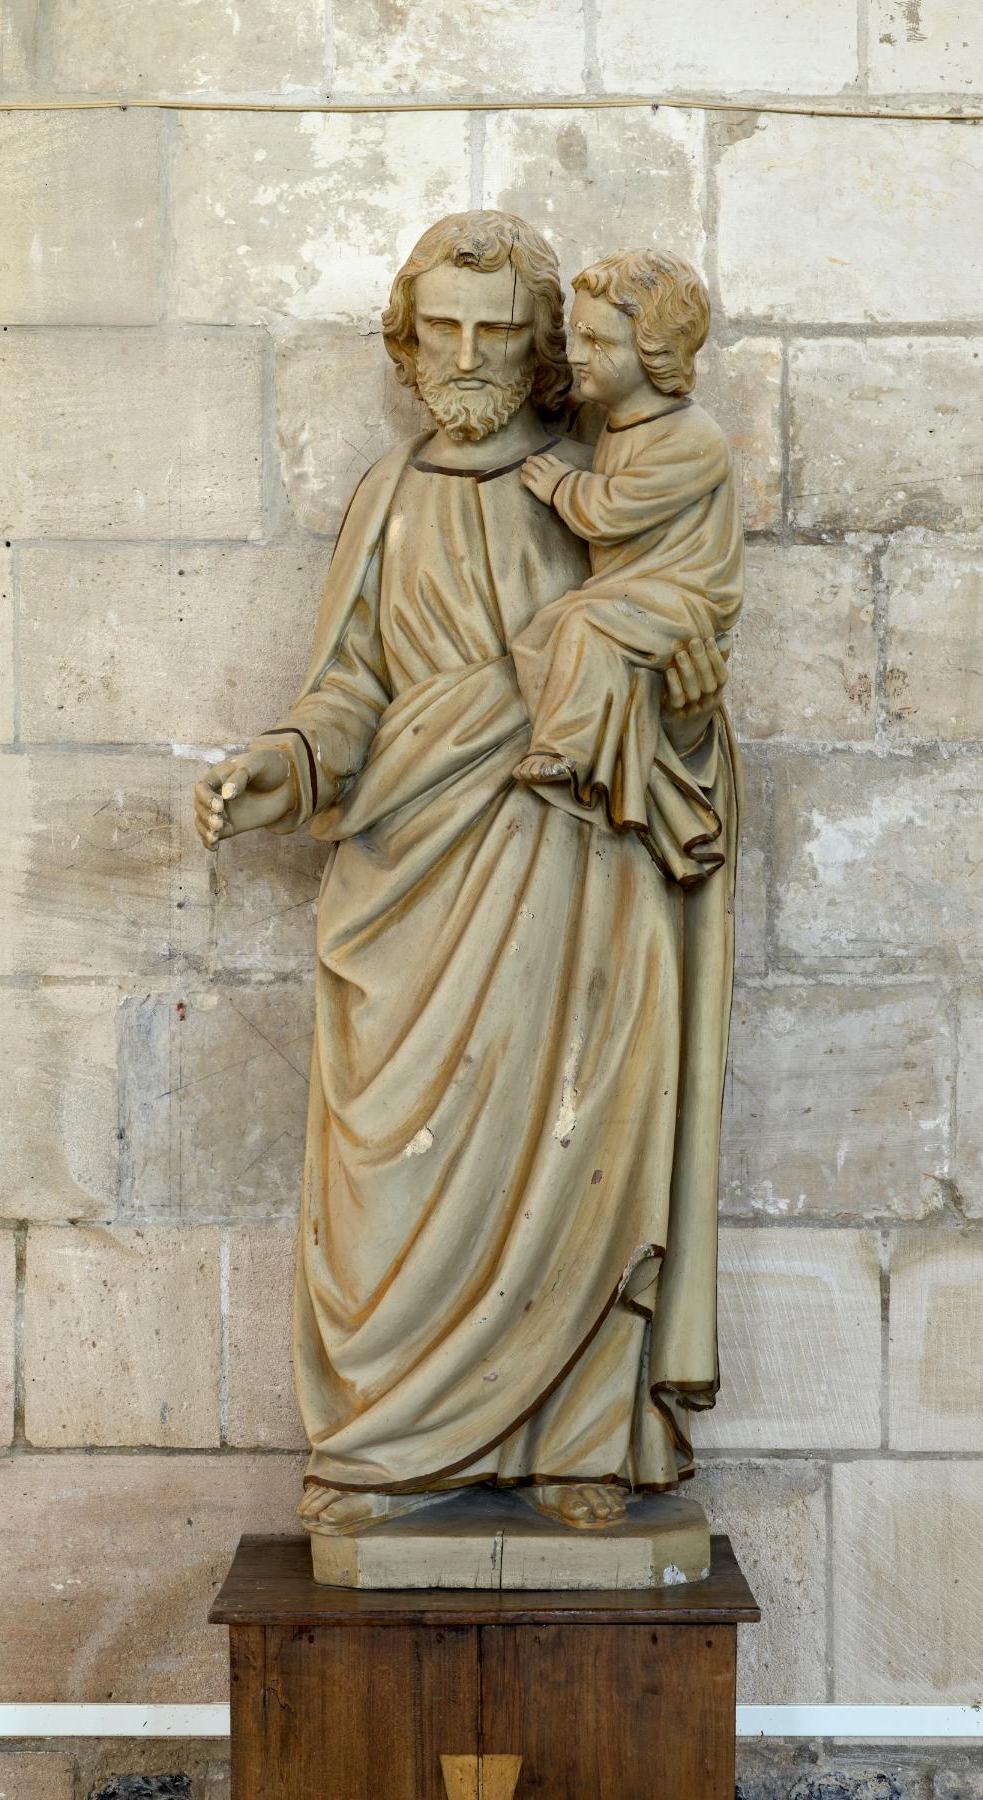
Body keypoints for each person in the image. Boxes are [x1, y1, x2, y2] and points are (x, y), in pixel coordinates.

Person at [195, 211, 743, 1536]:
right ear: (407, 337)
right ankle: (389, 1448)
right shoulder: (387, 502)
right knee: (389, 1171)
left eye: (498, 331)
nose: (466, 351)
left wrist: (678, 698)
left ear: (547, 346)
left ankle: (570, 1432)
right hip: (410, 877)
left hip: (571, 877)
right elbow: (350, 690)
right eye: (441, 325)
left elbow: (666, 661)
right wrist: (283, 765)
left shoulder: (595, 488)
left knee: (577, 1143)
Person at [513, 248, 742, 882]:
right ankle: (603, 757)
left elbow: (611, 512)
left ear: (652, 350)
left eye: (594, 339)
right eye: (574, 334)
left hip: (683, 601)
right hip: (631, 593)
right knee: (540, 638)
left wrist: (561, 485)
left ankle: (569, 751)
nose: (575, 353)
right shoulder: (618, 420)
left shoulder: (693, 440)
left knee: (581, 627)